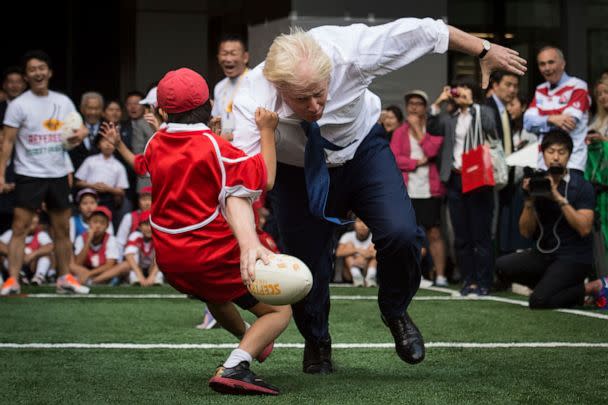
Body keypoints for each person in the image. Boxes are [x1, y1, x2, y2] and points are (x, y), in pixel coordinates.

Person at [230, 19, 526, 373]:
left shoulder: (351, 52)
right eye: (301, 98)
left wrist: (484, 48)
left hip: (361, 153)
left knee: (402, 232)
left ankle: (396, 310)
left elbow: (425, 31)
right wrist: (248, 243)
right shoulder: (253, 97)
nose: (315, 106)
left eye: (320, 92)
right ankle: (317, 340)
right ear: (278, 86)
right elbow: (240, 184)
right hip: (297, 170)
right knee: (308, 265)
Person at [101, 67, 292, 395]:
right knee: (279, 311)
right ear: (210, 106)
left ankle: (253, 342)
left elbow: (140, 165)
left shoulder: (157, 141)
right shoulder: (215, 147)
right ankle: (236, 365)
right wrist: (266, 130)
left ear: (161, 111)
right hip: (208, 253)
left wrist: (118, 145)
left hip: (170, 260)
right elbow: (267, 178)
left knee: (216, 296)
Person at [0, 50, 90, 295]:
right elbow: (7, 142)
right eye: (32, 69)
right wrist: (0, 173)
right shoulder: (18, 105)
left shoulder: (62, 102)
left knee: (62, 229)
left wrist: (81, 134)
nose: (38, 73)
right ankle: (12, 281)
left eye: (42, 68)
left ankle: (64, 278)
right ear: (26, 76)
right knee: (20, 227)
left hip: (58, 172)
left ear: (49, 72)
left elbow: (80, 128)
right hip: (29, 173)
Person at [496, 130, 607, 309]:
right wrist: (529, 201)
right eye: (551, 152)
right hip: (544, 253)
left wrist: (558, 198)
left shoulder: (581, 186)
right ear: (543, 154)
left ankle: (591, 287)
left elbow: (585, 228)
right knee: (502, 266)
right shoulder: (536, 182)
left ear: (569, 155)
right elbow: (525, 232)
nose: (556, 157)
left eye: (561, 152)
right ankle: (554, 287)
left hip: (574, 257)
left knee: (538, 301)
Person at [430, 76, 498, 296]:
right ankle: (468, 280)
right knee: (461, 235)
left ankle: (484, 281)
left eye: (466, 88)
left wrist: (473, 106)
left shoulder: (483, 112)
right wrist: (439, 102)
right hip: (455, 178)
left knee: (481, 234)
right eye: (459, 88)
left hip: (479, 176)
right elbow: (432, 127)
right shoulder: (451, 118)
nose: (462, 92)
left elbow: (491, 128)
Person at [390, 90, 447, 286]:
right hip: (407, 190)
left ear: (425, 107)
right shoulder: (399, 132)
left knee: (434, 233)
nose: (414, 107)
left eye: (418, 103)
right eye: (410, 103)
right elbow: (395, 158)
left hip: (430, 189)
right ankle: (415, 275)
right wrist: (415, 162)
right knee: (410, 234)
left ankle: (440, 276)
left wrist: (418, 131)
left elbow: (432, 150)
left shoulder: (434, 127)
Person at [524, 46, 590, 174]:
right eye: (542, 64)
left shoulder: (578, 86)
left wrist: (540, 121)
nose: (547, 68)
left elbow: (568, 123)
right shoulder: (540, 90)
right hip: (543, 164)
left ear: (563, 64)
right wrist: (551, 119)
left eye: (551, 62)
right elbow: (527, 123)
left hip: (572, 163)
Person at [75, 134, 129, 229]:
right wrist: (92, 186)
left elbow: (121, 191)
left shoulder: (118, 166)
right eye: (104, 141)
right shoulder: (90, 161)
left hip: (108, 199)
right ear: (99, 144)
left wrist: (108, 189)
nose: (108, 145)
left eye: (111, 142)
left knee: (105, 223)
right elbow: (78, 183)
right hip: (89, 196)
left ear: (115, 145)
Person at [0, 66, 27, 233]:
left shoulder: (30, 107)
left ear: (24, 84)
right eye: (11, 82)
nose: (14, 85)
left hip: (22, 168)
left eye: (18, 82)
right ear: (4, 85)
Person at [211, 34, 250, 141]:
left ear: (245, 57)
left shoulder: (254, 82)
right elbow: (216, 119)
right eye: (224, 54)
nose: (228, 59)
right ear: (218, 57)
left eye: (233, 54)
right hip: (224, 147)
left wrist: (233, 136)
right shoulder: (219, 87)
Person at [69, 206, 120, 285]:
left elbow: (110, 265)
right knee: (70, 263)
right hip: (83, 270)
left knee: (122, 266)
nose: (98, 226)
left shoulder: (111, 239)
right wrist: (88, 240)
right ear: (89, 223)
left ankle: (93, 281)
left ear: (107, 226)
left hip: (101, 272)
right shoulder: (81, 238)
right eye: (95, 222)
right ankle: (93, 280)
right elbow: (78, 263)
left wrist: (89, 274)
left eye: (102, 223)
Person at [0, 212, 53, 286]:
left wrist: (33, 254)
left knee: (46, 255)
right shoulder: (11, 233)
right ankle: (19, 276)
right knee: (3, 256)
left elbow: (50, 246)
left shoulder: (40, 234)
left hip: (32, 265)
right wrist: (15, 255)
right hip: (14, 264)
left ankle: (39, 276)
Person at [336, 217, 377, 287]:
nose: (362, 225)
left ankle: (371, 277)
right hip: (350, 273)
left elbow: (380, 253)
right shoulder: (347, 236)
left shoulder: (374, 237)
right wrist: (358, 250)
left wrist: (365, 257)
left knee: (373, 248)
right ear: (354, 224)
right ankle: (357, 277)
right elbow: (338, 253)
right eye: (359, 221)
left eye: (365, 222)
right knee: (348, 246)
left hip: (366, 269)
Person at [69, 91, 104, 170]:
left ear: (102, 110)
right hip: (78, 179)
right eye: (90, 108)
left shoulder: (107, 129)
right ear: (82, 109)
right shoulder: (73, 128)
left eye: (97, 108)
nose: (93, 112)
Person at [116, 185, 152, 252]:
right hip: (132, 254)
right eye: (144, 199)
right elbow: (120, 242)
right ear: (138, 202)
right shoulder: (129, 217)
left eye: (150, 199)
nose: (147, 203)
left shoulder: (161, 218)